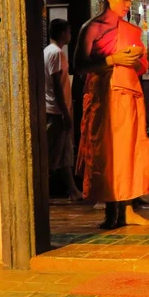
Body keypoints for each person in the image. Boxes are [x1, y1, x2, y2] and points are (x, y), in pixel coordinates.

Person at [74, 0, 149, 229]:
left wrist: (137, 60)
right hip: (105, 97)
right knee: (108, 154)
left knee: (131, 151)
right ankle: (111, 211)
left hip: (129, 95)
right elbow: (79, 66)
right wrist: (112, 60)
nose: (127, 5)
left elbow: (142, 66)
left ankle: (129, 208)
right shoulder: (92, 28)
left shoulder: (130, 30)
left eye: (130, 0)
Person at [44, 19, 83, 201]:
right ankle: (44, 195)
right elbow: (57, 85)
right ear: (61, 34)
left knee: (65, 153)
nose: (70, 35)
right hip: (57, 111)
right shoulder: (56, 53)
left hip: (60, 109)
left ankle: (73, 190)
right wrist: (64, 112)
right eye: (68, 32)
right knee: (52, 155)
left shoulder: (50, 52)